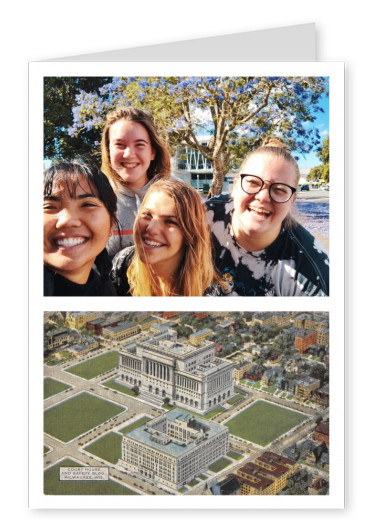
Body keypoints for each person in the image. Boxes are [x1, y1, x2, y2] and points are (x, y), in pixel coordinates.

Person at [206, 137, 329, 296]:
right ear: (235, 186)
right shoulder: (203, 216)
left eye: (279, 189)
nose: (263, 197)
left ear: (292, 201)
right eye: (253, 183)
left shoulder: (311, 274)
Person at [111, 180, 223, 296]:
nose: (151, 229)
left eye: (170, 222)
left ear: (190, 234)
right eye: (147, 215)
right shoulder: (122, 264)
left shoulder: (209, 293)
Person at [101, 106, 171, 257]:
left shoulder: (176, 197)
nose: (129, 154)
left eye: (139, 144)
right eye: (119, 144)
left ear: (152, 152)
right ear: (108, 151)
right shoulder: (96, 200)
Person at [44, 158, 119, 296]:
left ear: (112, 224)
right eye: (49, 207)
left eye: (87, 205)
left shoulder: (106, 290)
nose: (67, 220)